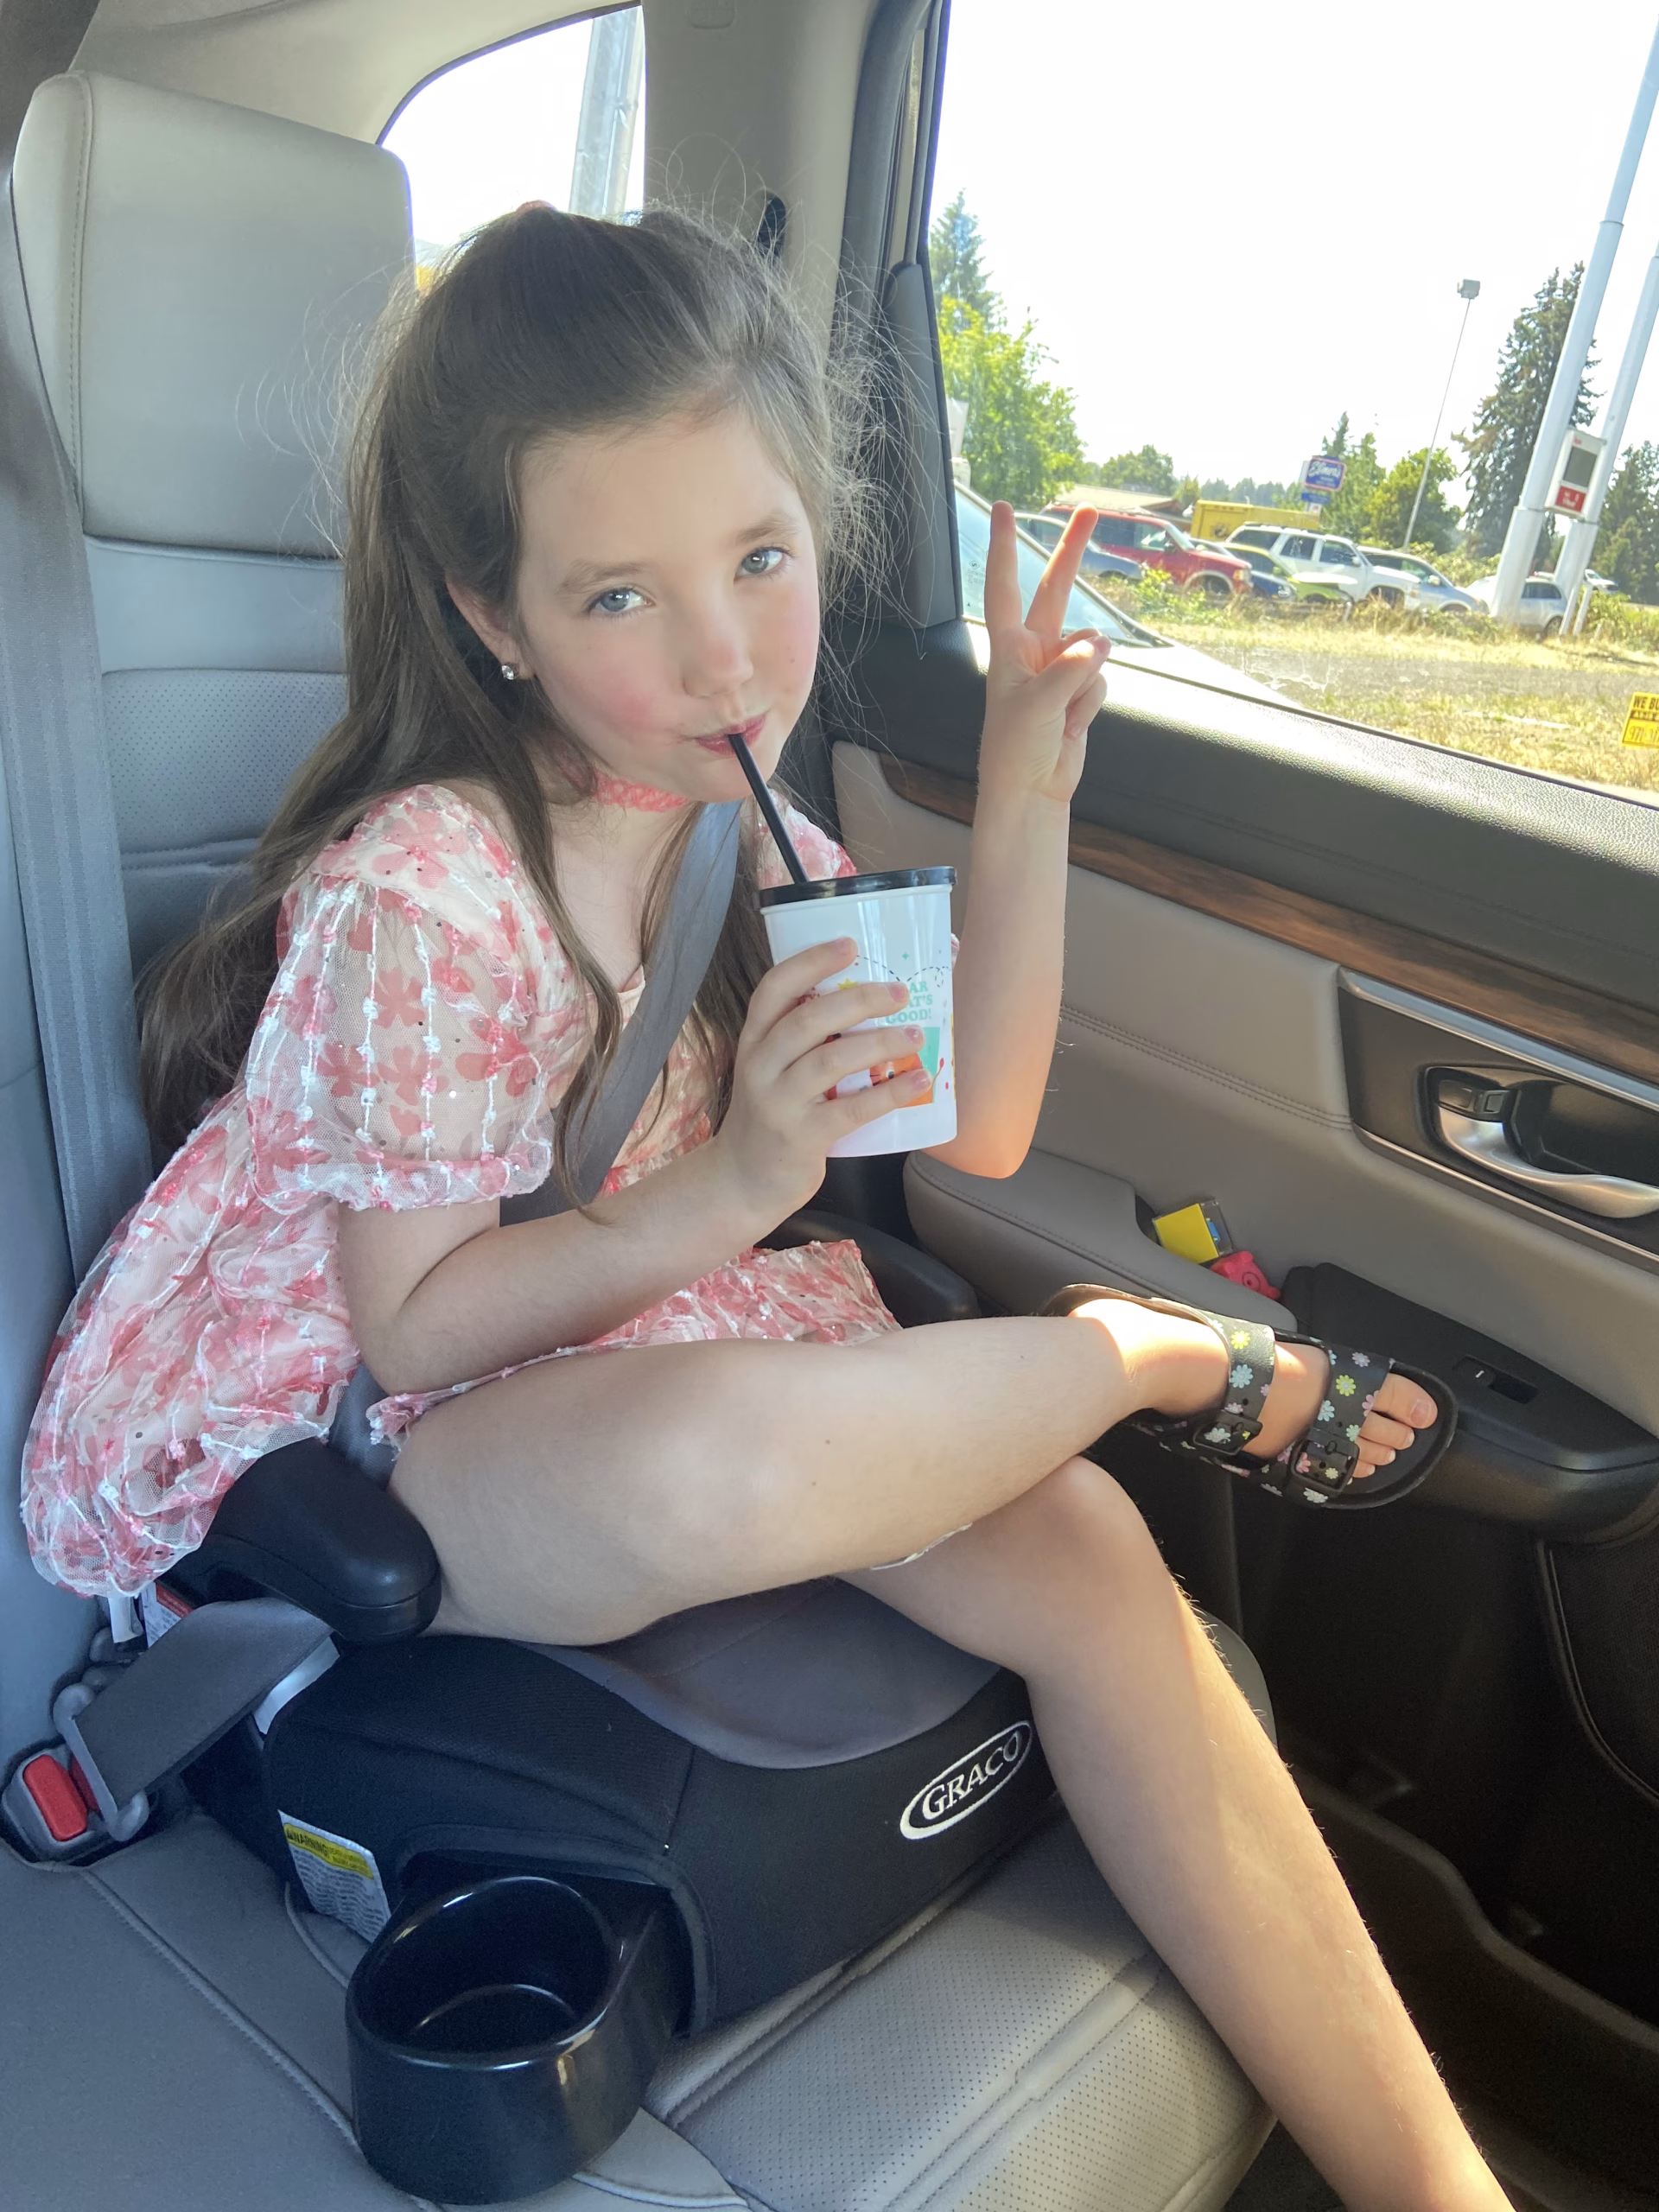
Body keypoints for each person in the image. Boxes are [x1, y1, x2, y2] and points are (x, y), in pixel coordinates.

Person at [22, 206, 1506, 2210]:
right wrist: (736, 1183)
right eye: (620, 593)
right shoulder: (427, 890)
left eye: (762, 558)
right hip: (389, 1427)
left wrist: (1027, 792)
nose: (722, 653)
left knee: (1082, 1549)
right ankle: (1133, 1351)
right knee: (720, 1454)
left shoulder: (754, 837)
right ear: (494, 616)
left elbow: (978, 1128)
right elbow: (417, 1326)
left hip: (642, 1325)